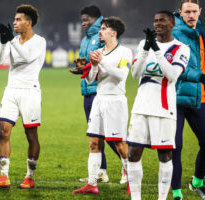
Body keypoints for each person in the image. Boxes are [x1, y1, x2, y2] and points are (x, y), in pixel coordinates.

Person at [127, 10, 190, 200]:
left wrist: (156, 50)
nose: (157, 24)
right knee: (132, 154)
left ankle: (162, 198)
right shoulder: (142, 44)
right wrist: (146, 48)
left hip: (163, 110)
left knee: (164, 156)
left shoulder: (181, 48)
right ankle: (136, 198)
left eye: (162, 20)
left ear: (172, 24)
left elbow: (171, 76)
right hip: (140, 107)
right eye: (155, 21)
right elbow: (135, 74)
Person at [0, 4, 46, 189]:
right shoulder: (13, 41)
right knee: (3, 130)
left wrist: (11, 41)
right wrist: (3, 41)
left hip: (30, 91)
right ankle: (3, 176)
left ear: (28, 23)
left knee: (31, 135)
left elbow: (28, 57)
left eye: (18, 19)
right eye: (14, 19)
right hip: (11, 90)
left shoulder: (39, 41)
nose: (14, 22)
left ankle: (30, 176)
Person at [72, 16, 131, 194]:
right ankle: (92, 183)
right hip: (99, 99)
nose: (100, 30)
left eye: (104, 28)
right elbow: (91, 78)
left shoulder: (125, 52)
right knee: (94, 142)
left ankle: (132, 179)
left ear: (113, 33)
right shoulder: (99, 52)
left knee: (119, 144)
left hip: (116, 101)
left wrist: (101, 61)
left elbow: (121, 75)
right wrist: (92, 66)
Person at [171, 1, 205, 199]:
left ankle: (197, 182)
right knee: (175, 147)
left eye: (194, 11)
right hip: (176, 98)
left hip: (199, 98)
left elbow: (202, 62)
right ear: (180, 12)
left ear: (200, 11)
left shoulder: (201, 32)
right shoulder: (173, 33)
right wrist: (201, 77)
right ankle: (176, 192)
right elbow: (174, 67)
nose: (191, 15)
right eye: (187, 12)